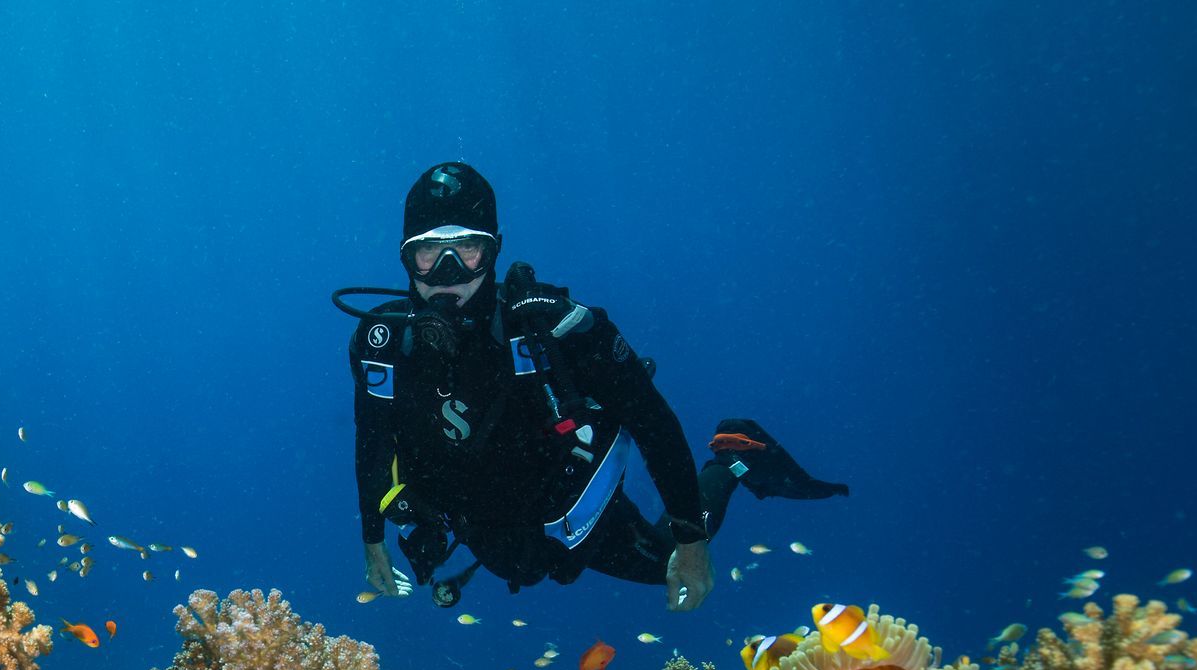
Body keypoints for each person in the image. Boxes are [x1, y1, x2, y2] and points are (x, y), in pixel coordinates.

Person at [340, 162, 848, 610]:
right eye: (428, 252)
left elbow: (653, 422)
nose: (447, 272)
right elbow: (372, 438)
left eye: (468, 249)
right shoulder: (381, 345)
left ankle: (735, 455)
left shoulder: (559, 331)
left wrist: (694, 543)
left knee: (665, 565)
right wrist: (373, 539)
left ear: (493, 252)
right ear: (406, 259)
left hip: (573, 510)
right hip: (482, 523)